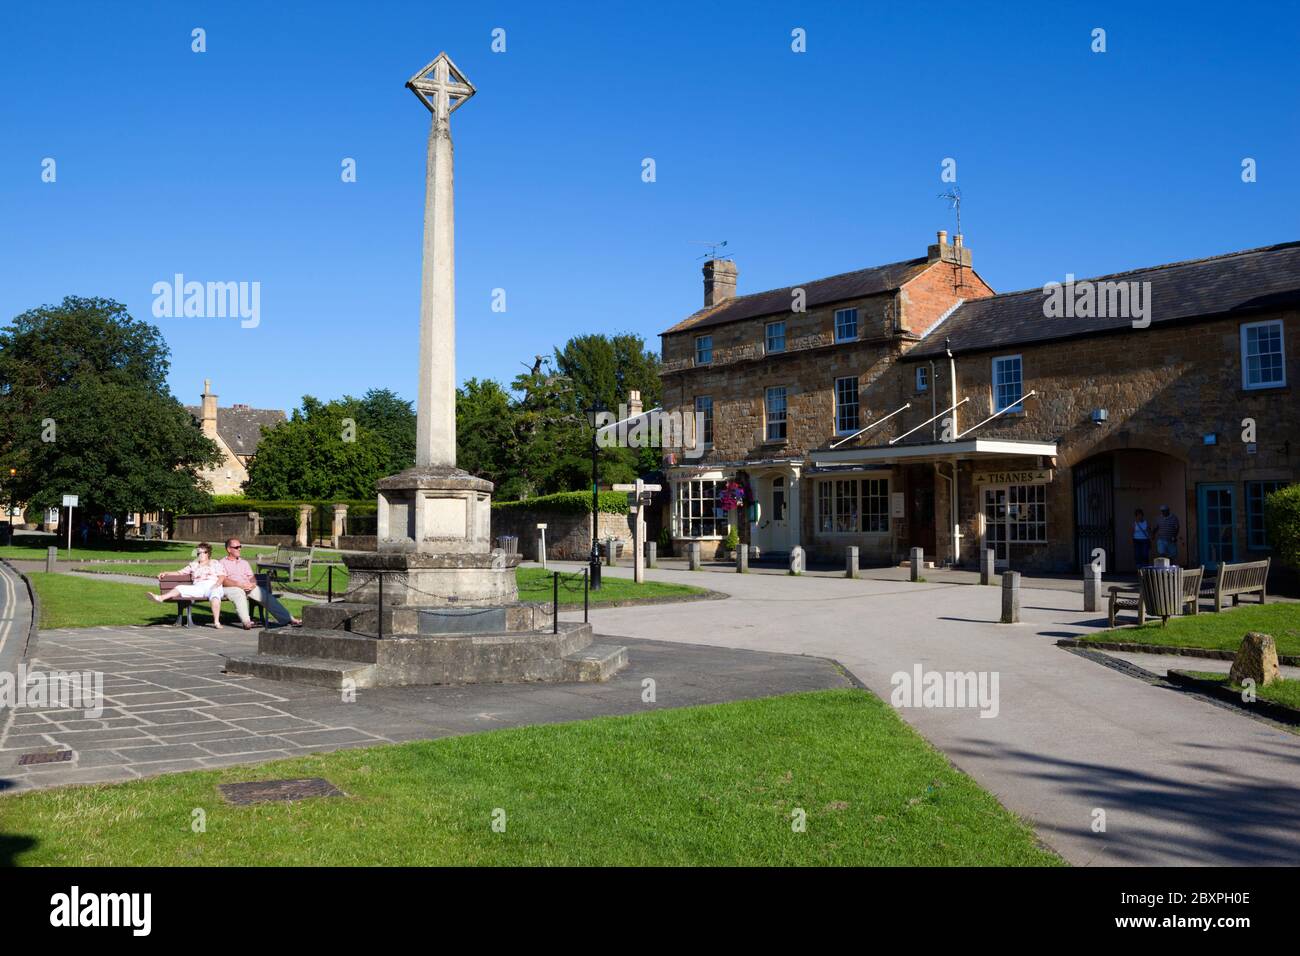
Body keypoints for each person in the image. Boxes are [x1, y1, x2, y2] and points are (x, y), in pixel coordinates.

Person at [218, 537, 302, 630]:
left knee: (264, 595)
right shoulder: (221, 563)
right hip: (231, 588)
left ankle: (288, 619)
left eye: (240, 546)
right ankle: (247, 622)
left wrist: (252, 584)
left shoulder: (244, 563)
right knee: (238, 592)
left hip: (247, 587)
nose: (239, 549)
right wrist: (240, 585)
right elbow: (224, 581)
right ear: (229, 549)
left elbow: (251, 577)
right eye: (236, 547)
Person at [148, 541, 227, 628]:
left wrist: (217, 584)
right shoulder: (193, 565)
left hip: (213, 584)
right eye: (198, 552)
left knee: (215, 596)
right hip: (199, 587)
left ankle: (216, 622)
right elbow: (179, 572)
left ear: (208, 553)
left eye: (204, 552)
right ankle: (160, 598)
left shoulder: (215, 563)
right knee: (180, 587)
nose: (201, 554)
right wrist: (166, 573)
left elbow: (222, 576)